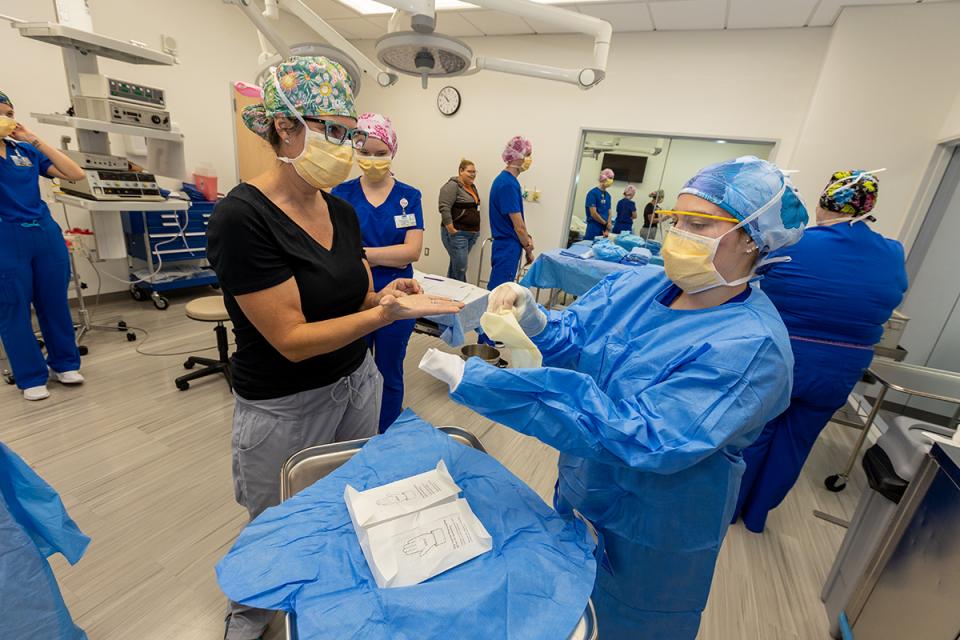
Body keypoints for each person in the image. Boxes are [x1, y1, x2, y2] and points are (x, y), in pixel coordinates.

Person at [420, 156, 808, 639]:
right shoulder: (644, 284)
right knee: (565, 600)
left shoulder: (752, 349)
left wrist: (489, 384)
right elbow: (579, 335)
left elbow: (644, 435)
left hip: (657, 522)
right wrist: (533, 319)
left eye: (699, 223)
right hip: (586, 482)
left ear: (752, 237)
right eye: (676, 220)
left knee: (628, 623)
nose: (679, 234)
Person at [206, 57, 462, 640]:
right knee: (276, 522)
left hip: (357, 383)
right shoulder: (242, 219)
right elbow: (292, 340)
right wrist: (380, 314)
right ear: (283, 128)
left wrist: (384, 293)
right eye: (333, 130)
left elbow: (353, 290)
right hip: (285, 404)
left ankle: (327, 599)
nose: (347, 146)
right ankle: (250, 614)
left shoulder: (341, 211)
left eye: (350, 132)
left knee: (346, 502)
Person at [733, 170, 908, 533]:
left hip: (782, 358)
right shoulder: (892, 253)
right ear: (868, 209)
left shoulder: (794, 243)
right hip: (841, 368)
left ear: (822, 202)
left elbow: (751, 288)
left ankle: (730, 510)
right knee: (796, 441)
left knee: (755, 434)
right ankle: (757, 516)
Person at [331, 113, 423, 433]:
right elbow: (333, 249)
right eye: (365, 152)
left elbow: (411, 251)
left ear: (392, 151)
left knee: (389, 369)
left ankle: (386, 436)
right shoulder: (340, 194)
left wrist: (360, 253)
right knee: (352, 368)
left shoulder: (409, 197)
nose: (372, 160)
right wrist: (386, 256)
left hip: (400, 294)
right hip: (353, 292)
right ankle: (353, 434)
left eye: (380, 153)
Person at [0, 90, 86, 401]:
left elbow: (75, 173)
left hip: (43, 232)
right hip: (5, 237)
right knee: (12, 307)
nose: (6, 118)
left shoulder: (23, 151)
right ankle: (30, 375)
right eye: (0, 113)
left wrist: (32, 137)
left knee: (54, 301)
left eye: (9, 113)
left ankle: (64, 363)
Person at [487, 136, 534, 291]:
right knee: (499, 292)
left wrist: (527, 239)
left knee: (500, 289)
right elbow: (518, 226)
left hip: (506, 245)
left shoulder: (506, 181)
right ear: (518, 157)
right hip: (507, 246)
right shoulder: (507, 184)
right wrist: (528, 247)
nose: (529, 159)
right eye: (527, 155)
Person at [439, 159, 481, 282]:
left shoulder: (472, 187)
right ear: (461, 171)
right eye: (470, 171)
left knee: (456, 265)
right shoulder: (452, 186)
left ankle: (450, 295)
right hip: (458, 234)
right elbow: (444, 207)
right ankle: (464, 292)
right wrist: (451, 228)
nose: (473, 174)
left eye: (474, 172)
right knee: (461, 268)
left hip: (471, 233)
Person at [584, 168, 615, 240]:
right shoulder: (592, 193)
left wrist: (608, 227)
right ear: (603, 178)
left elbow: (609, 212)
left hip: (604, 228)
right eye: (610, 178)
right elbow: (593, 213)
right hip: (594, 227)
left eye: (612, 179)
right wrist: (605, 223)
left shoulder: (608, 195)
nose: (611, 181)